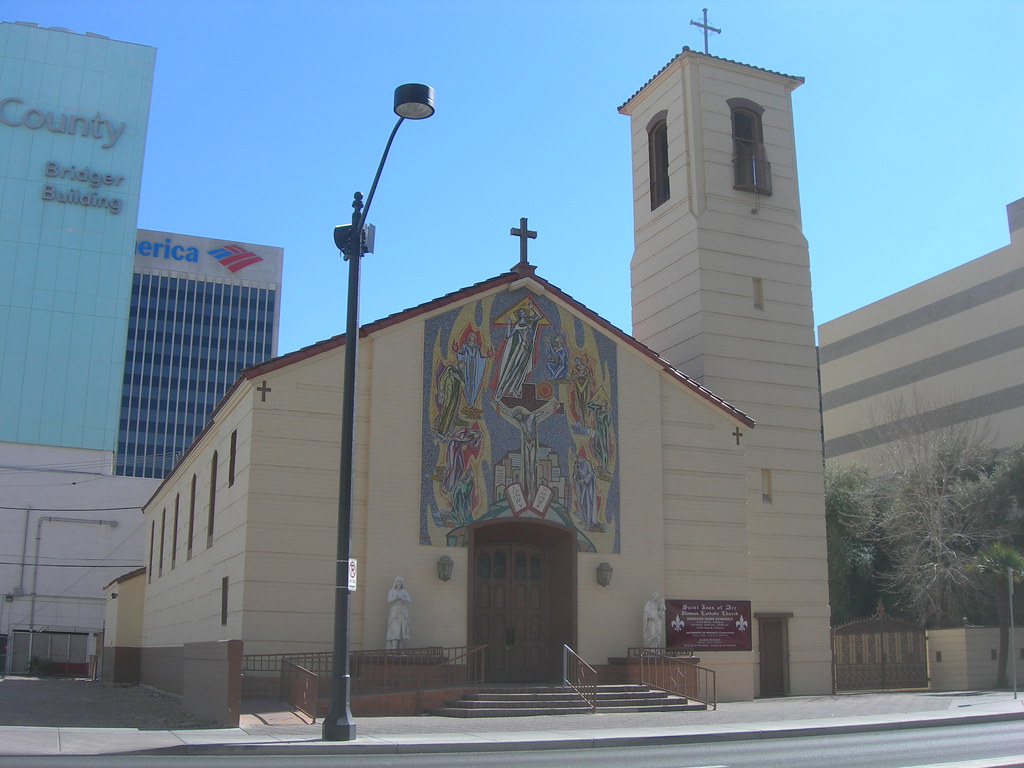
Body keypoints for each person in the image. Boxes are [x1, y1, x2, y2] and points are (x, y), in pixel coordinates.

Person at [385, 577, 412, 649]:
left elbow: (409, 600)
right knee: (395, 630)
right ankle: (393, 649)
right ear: (395, 583)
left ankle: (400, 650)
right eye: (397, 582)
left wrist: (403, 598)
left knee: (402, 631)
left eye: (400, 582)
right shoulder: (392, 591)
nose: (399, 583)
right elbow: (389, 600)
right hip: (395, 612)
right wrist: (395, 597)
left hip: (403, 611)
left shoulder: (404, 591)